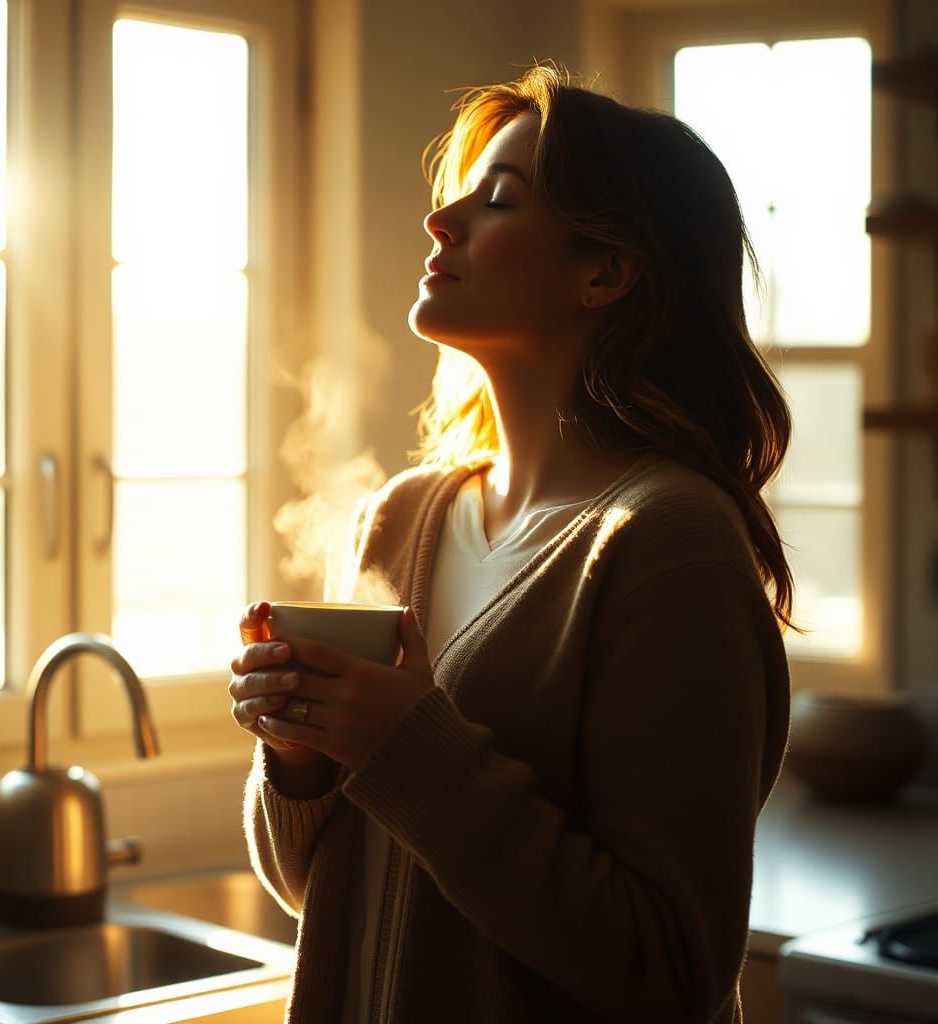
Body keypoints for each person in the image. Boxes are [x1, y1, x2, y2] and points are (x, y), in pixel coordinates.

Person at [228, 62, 794, 1024]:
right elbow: (311, 885)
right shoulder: (400, 517)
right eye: (457, 196)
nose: (440, 222)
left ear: (605, 272)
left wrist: (403, 744)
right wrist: (299, 754)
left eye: (500, 201)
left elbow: (669, 973)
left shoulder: (668, 542)